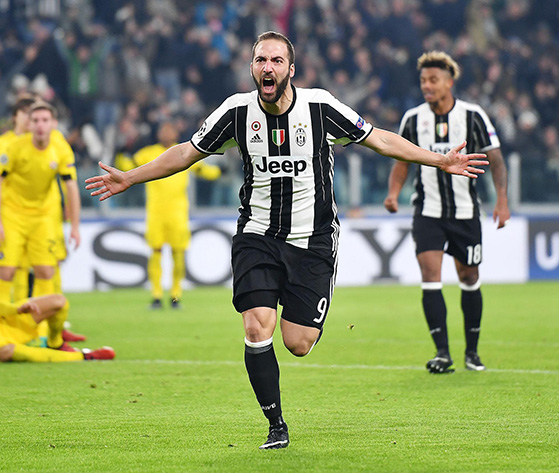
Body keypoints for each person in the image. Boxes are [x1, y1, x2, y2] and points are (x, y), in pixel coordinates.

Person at [85, 32, 489, 449]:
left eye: (277, 61)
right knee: (258, 325)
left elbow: (381, 140)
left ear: (290, 70)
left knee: (298, 343)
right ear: (252, 68)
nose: (268, 67)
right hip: (256, 235)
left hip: (312, 239)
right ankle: (276, 424)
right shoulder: (236, 112)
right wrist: (130, 177)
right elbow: (188, 152)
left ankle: (309, 316)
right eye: (261, 60)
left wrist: (440, 159)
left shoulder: (320, 106)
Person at [383, 51, 510, 374]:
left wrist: (502, 200)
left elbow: (495, 158)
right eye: (423, 80)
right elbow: (402, 161)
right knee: (430, 276)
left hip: (465, 212)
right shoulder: (413, 119)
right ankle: (442, 353)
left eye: (433, 80)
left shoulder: (472, 115)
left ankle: (472, 352)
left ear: (449, 82)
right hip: (427, 211)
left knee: (468, 276)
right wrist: (393, 193)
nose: (427, 85)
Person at [0, 96, 86, 343]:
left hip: (43, 217)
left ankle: (41, 332)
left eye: (45, 120)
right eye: (36, 120)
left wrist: (74, 225)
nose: (40, 125)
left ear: (53, 123)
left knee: (45, 270)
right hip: (13, 215)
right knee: (7, 270)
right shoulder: (12, 147)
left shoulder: (60, 147)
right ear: (28, 123)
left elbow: (71, 187)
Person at [116, 121, 221, 309]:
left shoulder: (183, 152)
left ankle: (175, 295)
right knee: (155, 252)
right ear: (158, 133)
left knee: (177, 253)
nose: (166, 132)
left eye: (170, 128)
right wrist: (120, 155)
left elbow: (203, 170)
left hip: (178, 212)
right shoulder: (147, 153)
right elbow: (128, 166)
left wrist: (219, 171)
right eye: (163, 128)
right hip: (156, 212)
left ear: (175, 132)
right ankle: (156, 295)